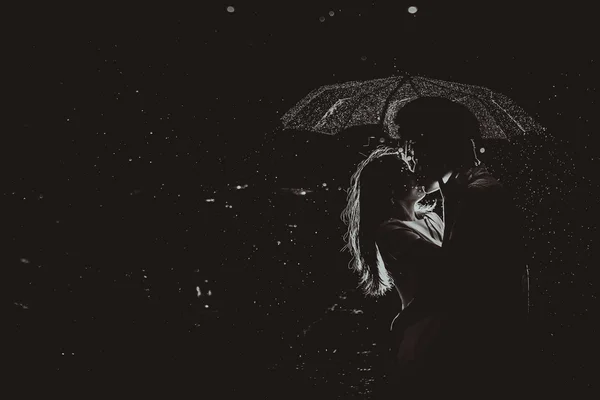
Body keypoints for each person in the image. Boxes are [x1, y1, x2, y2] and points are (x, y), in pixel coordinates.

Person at [391, 97, 531, 396]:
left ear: (433, 144)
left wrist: (408, 317)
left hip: (474, 363)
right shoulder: (464, 194)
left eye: (408, 144)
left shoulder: (478, 198)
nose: (404, 156)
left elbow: (463, 287)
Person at [339, 146, 447, 397]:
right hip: (426, 333)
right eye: (407, 172)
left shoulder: (432, 219)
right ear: (390, 187)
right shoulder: (391, 232)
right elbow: (447, 266)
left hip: (445, 325)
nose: (418, 174)